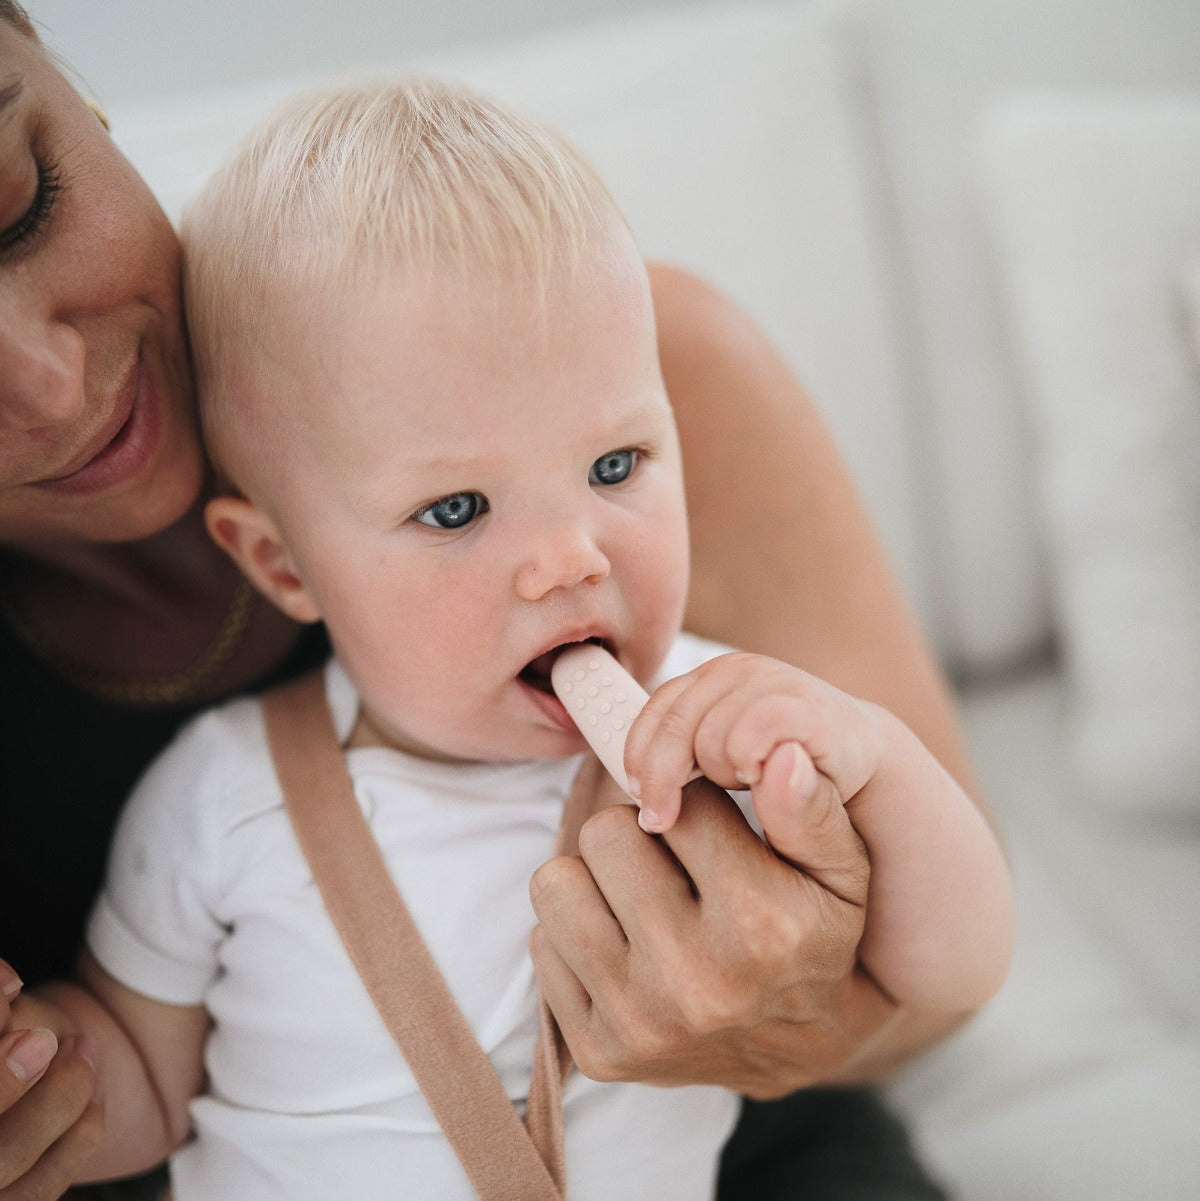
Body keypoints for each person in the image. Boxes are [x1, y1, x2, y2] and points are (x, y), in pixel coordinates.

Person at [0, 4, 990, 1199]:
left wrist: (872, 770)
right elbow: (142, 1082)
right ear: (282, 564)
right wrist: (32, 1078)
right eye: (458, 511)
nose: (572, 557)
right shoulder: (220, 795)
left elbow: (944, 972)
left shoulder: (717, 721)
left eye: (617, 468)